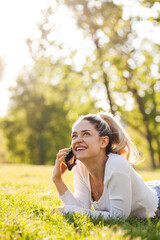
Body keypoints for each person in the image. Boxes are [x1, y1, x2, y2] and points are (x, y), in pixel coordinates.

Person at [51, 112, 160, 220]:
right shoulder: (79, 167)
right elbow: (81, 208)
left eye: (86, 134)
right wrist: (57, 179)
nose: (78, 140)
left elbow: (118, 217)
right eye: (74, 136)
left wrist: (69, 210)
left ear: (103, 141)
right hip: (147, 188)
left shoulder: (117, 165)